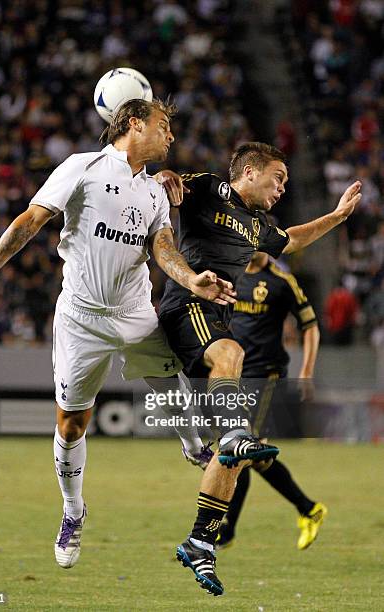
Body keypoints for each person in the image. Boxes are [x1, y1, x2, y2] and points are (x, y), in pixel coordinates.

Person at [0, 98, 238, 571]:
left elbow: (163, 247)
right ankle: (73, 510)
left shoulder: (153, 192)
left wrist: (191, 280)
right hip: (81, 319)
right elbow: (31, 220)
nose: (171, 136)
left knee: (171, 384)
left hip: (133, 312)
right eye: (163, 126)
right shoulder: (81, 167)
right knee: (71, 423)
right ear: (133, 124)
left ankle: (193, 444)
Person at [158, 141, 361, 596]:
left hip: (213, 321)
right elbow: (160, 186)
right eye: (278, 178)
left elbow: (293, 238)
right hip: (187, 303)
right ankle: (234, 436)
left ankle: (200, 541)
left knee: (231, 458)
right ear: (249, 173)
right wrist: (162, 177)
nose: (282, 187)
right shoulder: (209, 189)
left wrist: (337, 216)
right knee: (232, 357)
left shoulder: (258, 227)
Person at [215, 250, 327, 551]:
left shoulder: (281, 281)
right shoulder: (232, 272)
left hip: (266, 374)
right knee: (246, 454)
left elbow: (311, 325)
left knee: (240, 448)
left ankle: (227, 530)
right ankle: (308, 508)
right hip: (234, 373)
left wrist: (306, 370)